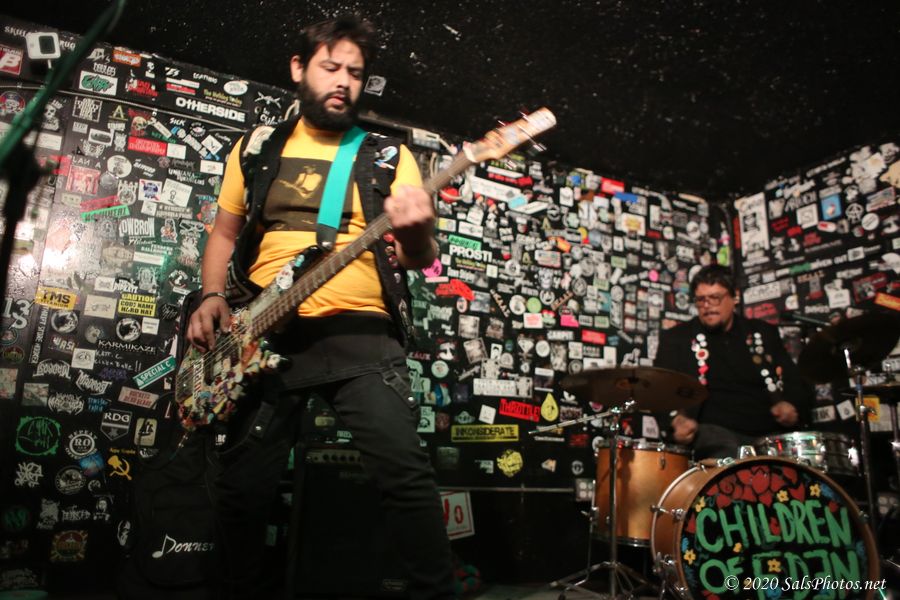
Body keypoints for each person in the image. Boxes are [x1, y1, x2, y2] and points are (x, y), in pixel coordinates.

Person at [185, 15, 455, 600]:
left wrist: (417, 232)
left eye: (355, 73)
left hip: (361, 335)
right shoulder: (258, 147)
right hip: (260, 336)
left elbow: (418, 256)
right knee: (241, 491)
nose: (343, 82)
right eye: (331, 68)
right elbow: (224, 234)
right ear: (298, 68)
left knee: (406, 481)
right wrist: (211, 296)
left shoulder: (389, 155)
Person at [654, 264, 814, 459]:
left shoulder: (763, 333)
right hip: (713, 434)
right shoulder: (677, 338)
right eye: (701, 300)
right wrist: (676, 421)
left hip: (768, 433)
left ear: (735, 297)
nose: (707, 305)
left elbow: (795, 382)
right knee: (722, 446)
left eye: (715, 297)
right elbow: (659, 390)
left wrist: (790, 406)